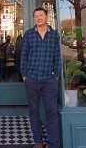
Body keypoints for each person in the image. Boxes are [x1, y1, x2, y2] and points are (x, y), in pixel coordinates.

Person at [20, 8, 61, 148]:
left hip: (49, 80)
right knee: (33, 110)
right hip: (31, 79)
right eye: (36, 16)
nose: (38, 18)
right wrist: (24, 75)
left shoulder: (55, 36)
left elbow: (58, 58)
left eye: (40, 15)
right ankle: (38, 141)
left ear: (47, 17)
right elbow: (23, 55)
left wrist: (56, 76)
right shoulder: (29, 34)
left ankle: (53, 144)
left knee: (51, 112)